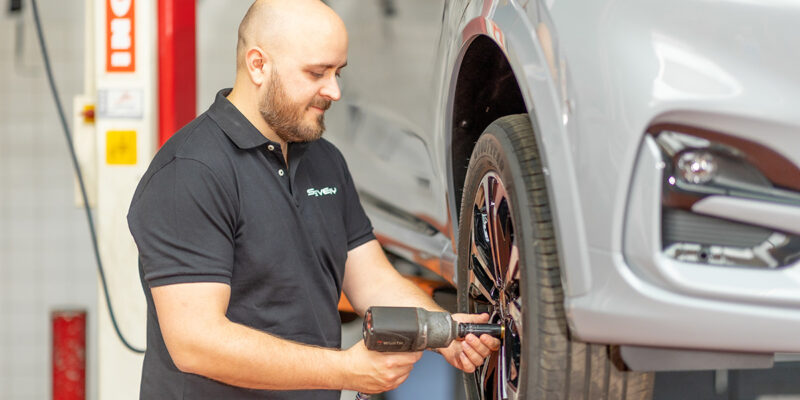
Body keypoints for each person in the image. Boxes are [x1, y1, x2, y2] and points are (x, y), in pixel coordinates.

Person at [127, 0, 500, 398]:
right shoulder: (191, 172)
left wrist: (448, 331)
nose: (335, 91)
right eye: (316, 73)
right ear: (258, 65)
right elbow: (196, 342)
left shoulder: (324, 160)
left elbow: (370, 279)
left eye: (338, 72)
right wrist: (346, 370)